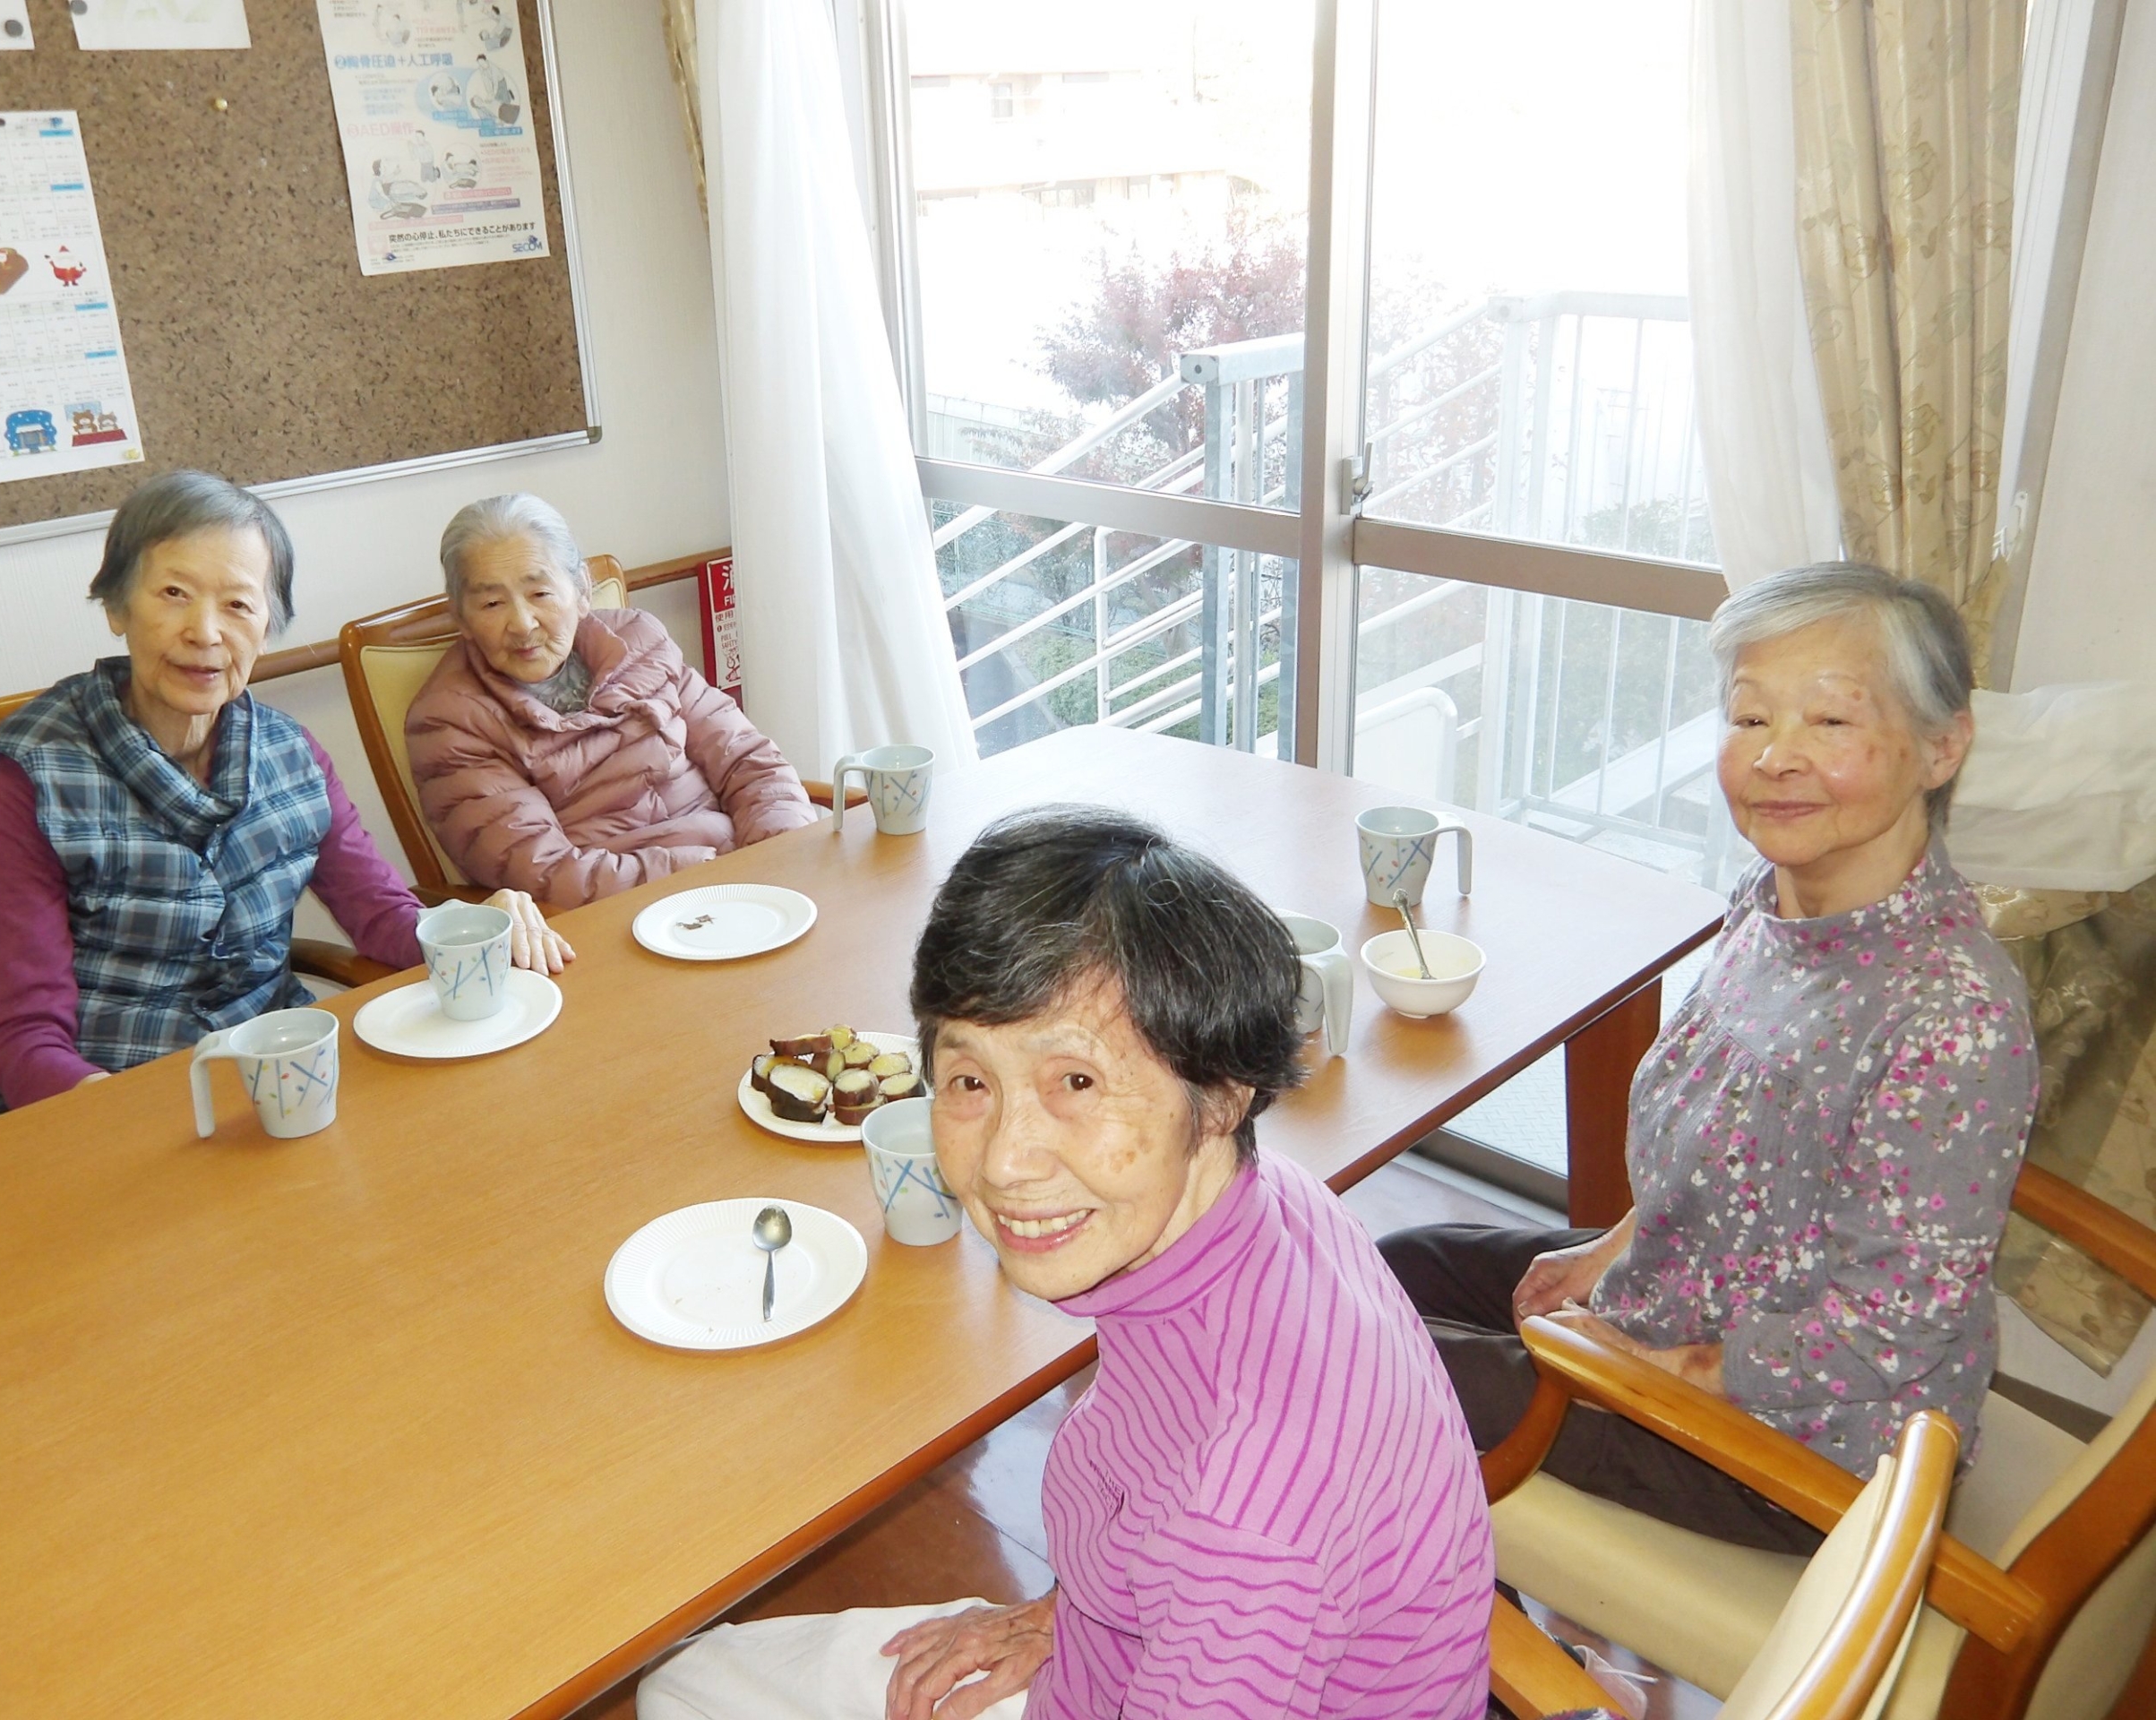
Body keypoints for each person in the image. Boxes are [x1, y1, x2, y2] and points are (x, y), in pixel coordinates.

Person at [640, 809, 1494, 1720]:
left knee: (683, 1694)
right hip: (1137, 1649)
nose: (1005, 1159)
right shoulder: (1263, 1208)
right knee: (689, 1680)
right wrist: (1071, 1611)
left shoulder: (1246, 1523)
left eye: (1075, 1083)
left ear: (1218, 1096)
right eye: (970, 1081)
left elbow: (1236, 1562)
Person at [1379, 562, 2039, 1552]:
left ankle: (1450, 1656)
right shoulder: (1769, 903)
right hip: (1696, 1301)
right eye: (1749, 717)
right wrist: (1603, 1257)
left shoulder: (1949, 1014)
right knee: (1395, 1268)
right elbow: (1723, 1143)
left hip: (1799, 1453)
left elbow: (1882, 1335)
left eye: (1828, 721)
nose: (1776, 757)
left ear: (1942, 747)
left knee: (1358, 1366)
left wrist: (1648, 1370)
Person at [0, 470, 571, 1140]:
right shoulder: (31, 776)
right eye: (174, 594)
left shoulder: (290, 755)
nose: (205, 632)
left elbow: (379, 916)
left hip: (258, 1084)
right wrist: (139, 1128)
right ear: (117, 606)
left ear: (268, 626)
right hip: (79, 1106)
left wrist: (473, 924)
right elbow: (26, 1041)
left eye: (238, 604)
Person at [404, 494, 818, 908]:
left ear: (581, 590)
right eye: (492, 604)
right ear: (461, 619)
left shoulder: (639, 640)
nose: (523, 624)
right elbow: (543, 872)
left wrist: (778, 852)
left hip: (746, 880)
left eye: (540, 593)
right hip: (621, 914)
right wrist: (716, 872)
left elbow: (745, 758)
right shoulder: (450, 721)